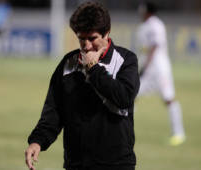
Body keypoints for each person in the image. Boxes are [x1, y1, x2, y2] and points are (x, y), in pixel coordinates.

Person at [24, 2, 140, 170]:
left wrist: (93, 70)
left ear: (106, 33)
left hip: (116, 164)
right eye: (81, 38)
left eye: (92, 38)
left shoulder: (125, 60)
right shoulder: (67, 64)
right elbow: (54, 110)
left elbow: (124, 98)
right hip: (76, 164)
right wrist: (37, 141)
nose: (86, 45)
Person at [134, 1, 186, 146]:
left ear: (147, 11)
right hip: (148, 70)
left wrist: (145, 66)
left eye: (142, 10)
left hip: (159, 69)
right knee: (131, 96)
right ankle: (122, 131)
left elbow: (155, 45)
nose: (140, 12)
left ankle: (179, 133)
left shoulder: (155, 25)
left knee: (168, 99)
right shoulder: (144, 26)